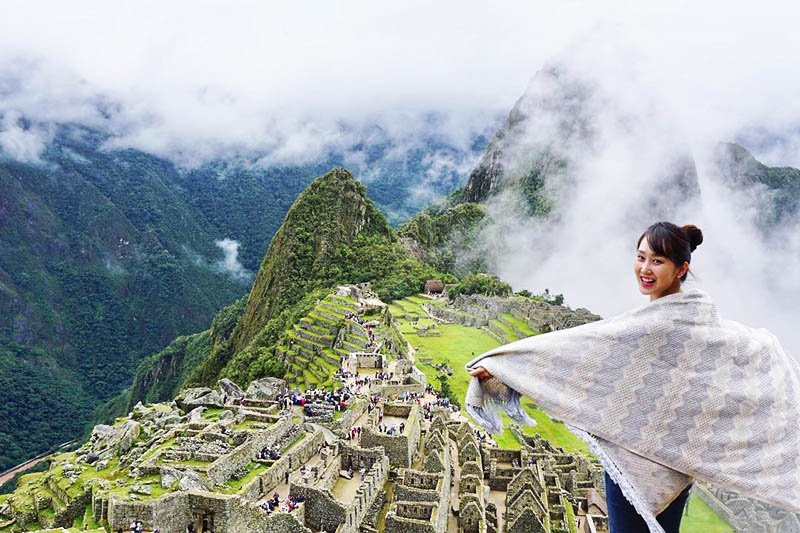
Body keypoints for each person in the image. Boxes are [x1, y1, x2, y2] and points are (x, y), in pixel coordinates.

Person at [466, 221, 800, 533]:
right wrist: (505, 369)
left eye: (658, 261)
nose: (645, 269)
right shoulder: (692, 322)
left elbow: (577, 350)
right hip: (669, 465)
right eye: (641, 258)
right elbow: (579, 351)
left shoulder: (667, 324)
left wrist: (504, 366)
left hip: (644, 466)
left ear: (681, 268)